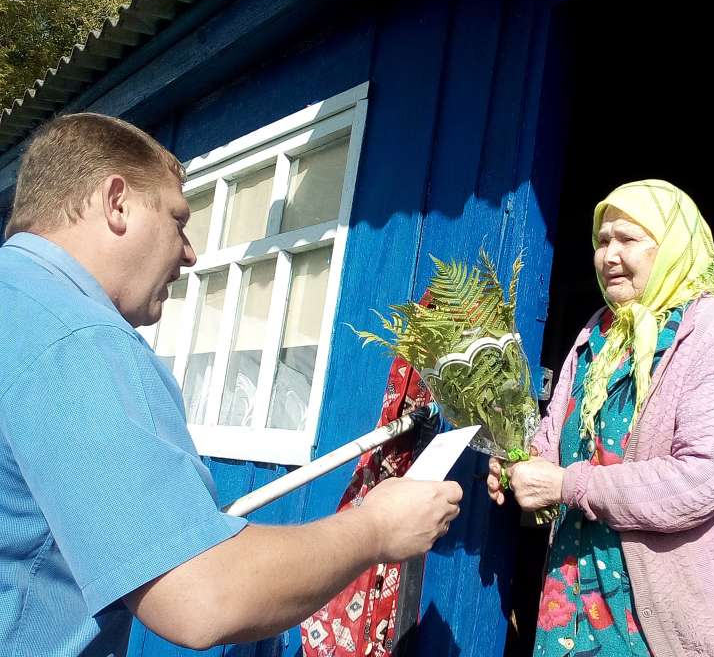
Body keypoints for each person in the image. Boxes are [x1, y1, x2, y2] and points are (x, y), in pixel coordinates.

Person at [0, 112, 462, 656]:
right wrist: (378, 529)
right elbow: (201, 596)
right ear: (117, 203)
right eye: (177, 219)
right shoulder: (79, 339)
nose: (190, 253)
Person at [488, 179, 714, 657]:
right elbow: (561, 436)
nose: (609, 255)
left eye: (628, 239)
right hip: (577, 597)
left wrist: (564, 486)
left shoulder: (713, 331)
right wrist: (524, 463)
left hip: (667, 619)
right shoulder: (596, 332)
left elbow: (701, 480)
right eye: (602, 241)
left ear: (671, 247)